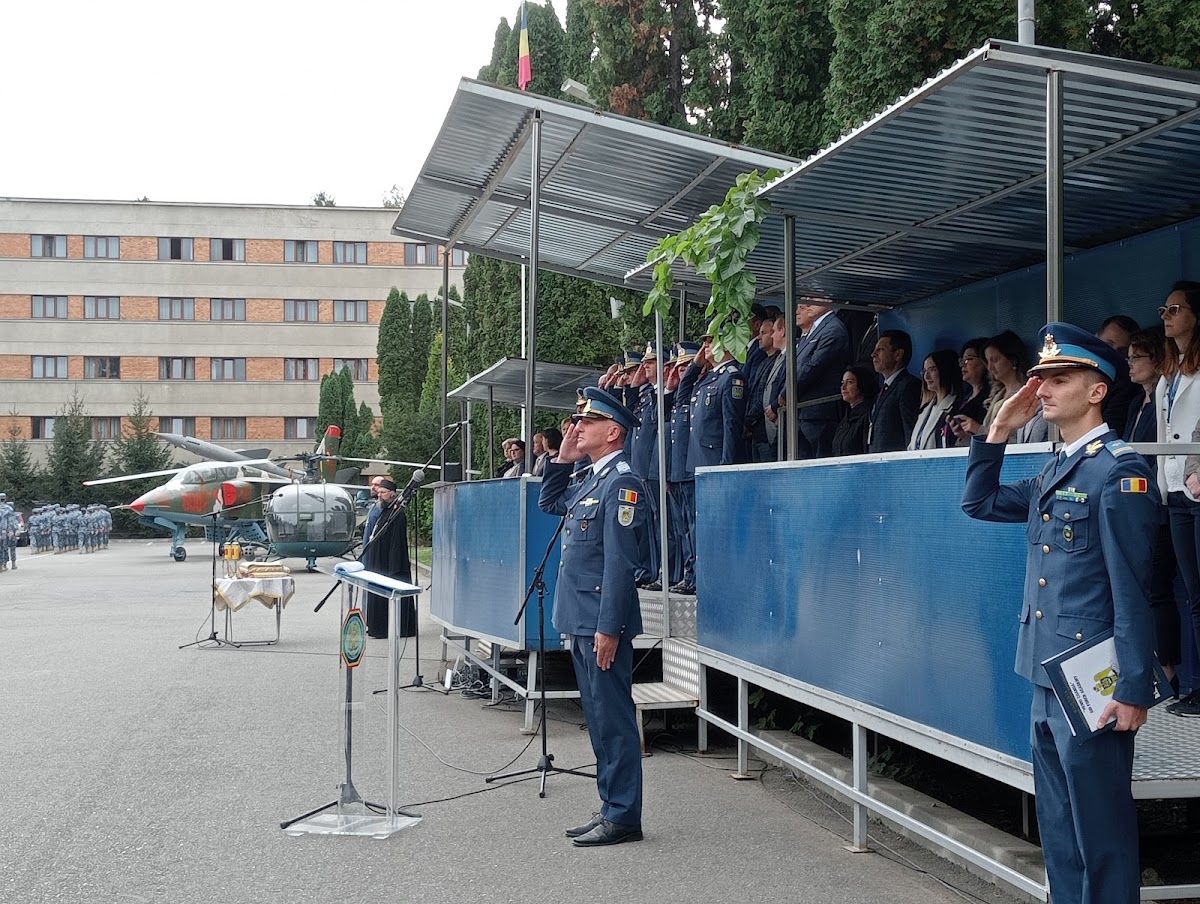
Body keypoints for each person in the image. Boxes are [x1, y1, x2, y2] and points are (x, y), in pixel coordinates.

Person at [962, 321, 1158, 904]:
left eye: (1059, 378)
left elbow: (1133, 588)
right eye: (1039, 378)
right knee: (1060, 830)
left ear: (1096, 390)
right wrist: (997, 429)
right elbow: (979, 502)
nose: (1042, 390)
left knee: (1101, 831)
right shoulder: (1056, 467)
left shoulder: (1118, 470)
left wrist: (1133, 686)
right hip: (1047, 671)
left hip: (1092, 676)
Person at [538, 386, 649, 847]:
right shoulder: (590, 478)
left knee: (614, 719)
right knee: (599, 718)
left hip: (600, 622)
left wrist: (608, 627)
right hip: (580, 617)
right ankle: (611, 806)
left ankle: (624, 815)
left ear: (613, 431)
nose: (577, 427)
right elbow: (550, 504)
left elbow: (620, 565)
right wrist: (562, 460)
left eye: (587, 422)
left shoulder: (622, 484)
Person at [1126, 327, 1182, 696]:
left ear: (1155, 359)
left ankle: (1171, 674)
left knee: (1159, 591)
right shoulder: (1136, 403)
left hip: (1160, 503)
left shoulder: (1166, 396)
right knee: (1140, 590)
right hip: (1136, 507)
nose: (1129, 364)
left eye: (1136, 357)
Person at [1157, 281, 1200, 715]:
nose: (1166, 316)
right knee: (1192, 591)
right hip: (1173, 488)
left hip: (1198, 486)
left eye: (1176, 309)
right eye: (1164, 309)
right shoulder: (1171, 369)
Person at [773, 302, 850, 459]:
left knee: (820, 462)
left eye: (813, 298)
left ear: (828, 300)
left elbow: (813, 366)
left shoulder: (833, 329)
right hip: (804, 413)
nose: (807, 304)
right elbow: (796, 365)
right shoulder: (815, 330)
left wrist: (787, 393)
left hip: (820, 412)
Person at [952, 330, 1047, 445]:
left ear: (1013, 360)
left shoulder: (1027, 395)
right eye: (987, 361)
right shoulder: (996, 395)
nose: (990, 367)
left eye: (995, 360)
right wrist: (967, 434)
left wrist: (978, 429)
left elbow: (1019, 439)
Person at [362, 478, 416, 639]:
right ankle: (377, 627)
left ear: (392, 494)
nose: (379, 496)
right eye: (378, 493)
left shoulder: (397, 514)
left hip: (391, 565)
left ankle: (397, 628)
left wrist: (393, 568)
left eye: (382, 493)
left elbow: (396, 544)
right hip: (377, 561)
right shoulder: (383, 511)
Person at [867, 329, 921, 453]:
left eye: (880, 350)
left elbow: (910, 432)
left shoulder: (909, 386)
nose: (873, 354)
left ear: (898, 354)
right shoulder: (884, 388)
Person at [908, 349, 962, 450]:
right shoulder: (925, 409)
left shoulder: (957, 407)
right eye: (924, 371)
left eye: (932, 370)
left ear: (945, 371)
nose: (926, 377)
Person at [1097, 314, 1141, 436]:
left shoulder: (1127, 387)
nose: (1113, 353)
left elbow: (1109, 427)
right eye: (1108, 345)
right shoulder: (1078, 372)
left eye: (1121, 351)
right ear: (1096, 339)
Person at [945, 338, 990, 447]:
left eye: (968, 359)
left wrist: (976, 428)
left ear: (985, 362)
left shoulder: (992, 397)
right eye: (961, 360)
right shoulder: (962, 398)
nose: (962, 365)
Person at [830, 365, 878, 457]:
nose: (843, 387)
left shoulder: (868, 416)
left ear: (862, 384)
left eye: (850, 382)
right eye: (842, 383)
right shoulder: (845, 419)